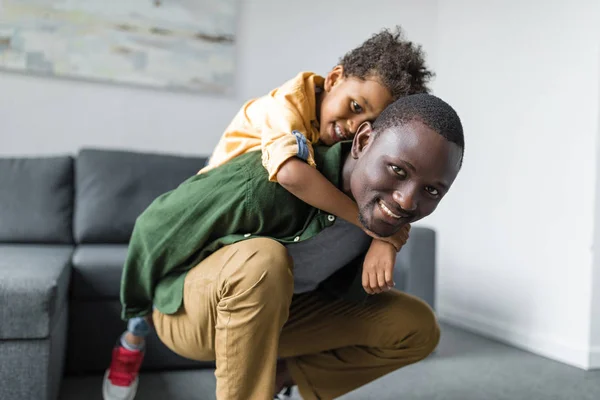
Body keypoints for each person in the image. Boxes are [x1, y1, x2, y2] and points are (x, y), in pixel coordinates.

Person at [103, 26, 434, 400]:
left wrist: (386, 241)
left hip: (284, 302)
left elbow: (398, 215)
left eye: (368, 125)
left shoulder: (369, 173)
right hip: (215, 250)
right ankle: (133, 334)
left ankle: (280, 378)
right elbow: (288, 172)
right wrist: (368, 225)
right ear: (336, 77)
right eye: (354, 107)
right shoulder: (285, 107)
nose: (353, 127)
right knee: (261, 259)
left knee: (417, 324)